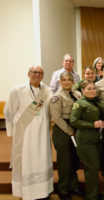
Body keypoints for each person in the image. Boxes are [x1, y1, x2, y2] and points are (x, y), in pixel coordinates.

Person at [4, 66, 53, 200]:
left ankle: (43, 191)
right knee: (27, 160)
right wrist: (11, 130)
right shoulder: (17, 90)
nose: (37, 75)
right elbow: (8, 110)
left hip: (42, 133)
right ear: (28, 74)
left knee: (42, 158)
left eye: (40, 73)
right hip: (25, 132)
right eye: (34, 72)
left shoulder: (47, 91)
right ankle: (27, 192)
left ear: (43, 75)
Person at [70, 80, 104, 200]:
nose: (92, 91)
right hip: (85, 139)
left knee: (94, 168)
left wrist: (102, 123)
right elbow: (73, 121)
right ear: (82, 91)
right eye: (88, 89)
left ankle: (93, 193)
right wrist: (92, 125)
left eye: (93, 88)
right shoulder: (79, 103)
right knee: (92, 168)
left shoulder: (96, 102)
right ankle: (91, 196)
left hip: (96, 138)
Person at [50, 72, 83, 200]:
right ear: (60, 82)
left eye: (69, 79)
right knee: (65, 162)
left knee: (74, 160)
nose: (67, 82)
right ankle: (63, 189)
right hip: (63, 130)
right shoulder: (57, 97)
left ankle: (74, 186)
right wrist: (70, 131)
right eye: (64, 80)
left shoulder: (77, 94)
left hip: (75, 128)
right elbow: (57, 118)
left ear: (73, 81)